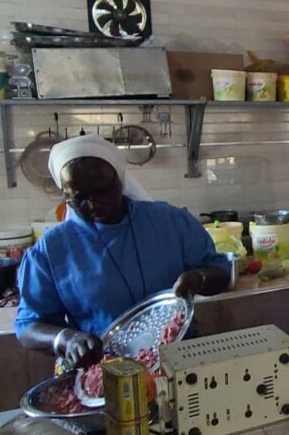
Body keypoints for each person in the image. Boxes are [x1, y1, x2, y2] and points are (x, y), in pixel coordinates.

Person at [14, 135, 231, 369]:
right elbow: (28, 326)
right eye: (79, 198)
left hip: (179, 359)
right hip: (104, 369)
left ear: (119, 180)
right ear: (65, 195)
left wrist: (200, 278)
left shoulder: (170, 221)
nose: (94, 203)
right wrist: (66, 339)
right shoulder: (51, 250)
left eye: (103, 191)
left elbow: (220, 272)